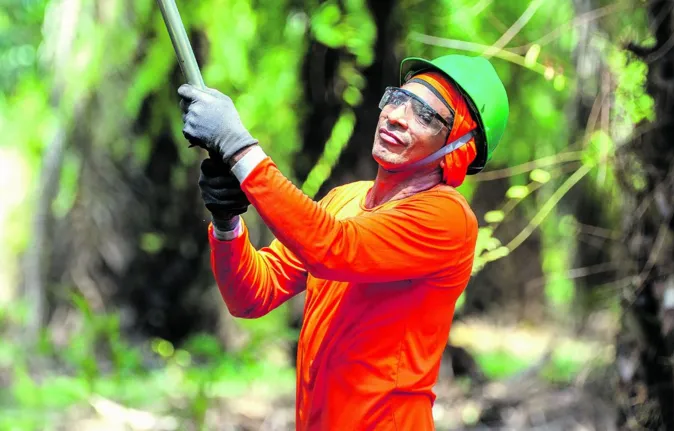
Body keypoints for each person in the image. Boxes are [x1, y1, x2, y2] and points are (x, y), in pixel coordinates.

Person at [178, 54, 509, 430]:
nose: (397, 116)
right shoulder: (345, 200)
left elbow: (333, 248)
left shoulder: (447, 218)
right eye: (399, 99)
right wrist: (227, 221)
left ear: (459, 149)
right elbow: (252, 294)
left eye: (427, 116)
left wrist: (237, 147)